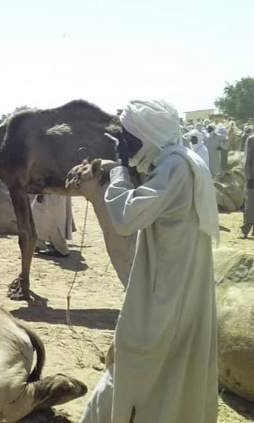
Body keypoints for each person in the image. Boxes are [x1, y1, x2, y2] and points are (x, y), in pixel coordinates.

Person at [80, 99, 218, 423]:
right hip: (175, 287)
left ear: (148, 135)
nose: (122, 145)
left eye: (128, 138)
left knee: (134, 359)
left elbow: (125, 218)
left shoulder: (175, 168)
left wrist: (120, 173)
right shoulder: (183, 162)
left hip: (165, 297)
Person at [241, 130, 254, 238]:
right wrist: (249, 178)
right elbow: (246, 161)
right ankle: (245, 230)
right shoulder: (251, 139)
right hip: (252, 179)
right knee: (249, 206)